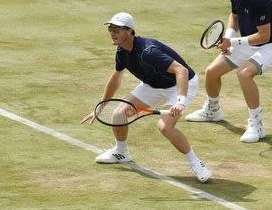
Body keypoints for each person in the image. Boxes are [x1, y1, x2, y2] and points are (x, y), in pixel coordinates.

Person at [81, 12, 212, 183]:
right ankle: (121, 152)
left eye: (117, 29)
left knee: (165, 127)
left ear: (130, 31)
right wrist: (101, 106)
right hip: (152, 86)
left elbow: (182, 71)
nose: (112, 33)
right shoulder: (121, 52)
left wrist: (180, 101)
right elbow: (116, 79)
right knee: (119, 114)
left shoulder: (148, 52)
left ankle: (196, 162)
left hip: (180, 85)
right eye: (110, 29)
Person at [185, 0, 272, 143]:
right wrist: (228, 37)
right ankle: (213, 110)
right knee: (211, 72)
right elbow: (234, 17)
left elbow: (264, 36)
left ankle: (257, 125)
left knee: (244, 73)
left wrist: (232, 44)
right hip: (250, 43)